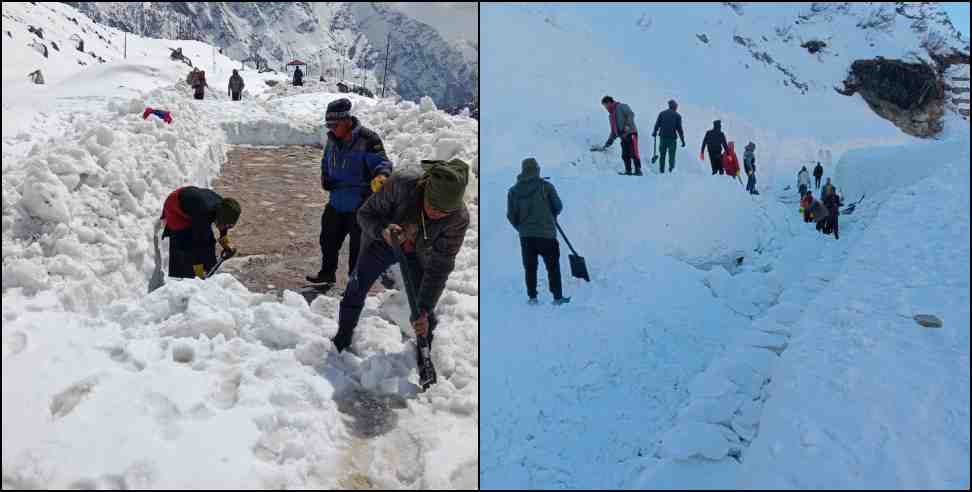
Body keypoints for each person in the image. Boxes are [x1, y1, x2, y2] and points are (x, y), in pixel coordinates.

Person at [332, 159, 471, 355]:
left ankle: (425, 355)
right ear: (426, 189)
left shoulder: (458, 219)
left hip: (418, 251)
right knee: (356, 287)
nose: (436, 214)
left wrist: (424, 308)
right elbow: (365, 214)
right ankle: (342, 338)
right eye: (432, 206)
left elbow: (441, 265)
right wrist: (383, 230)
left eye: (444, 212)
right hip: (382, 242)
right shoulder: (402, 184)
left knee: (423, 308)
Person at [306, 98, 392, 286]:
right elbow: (325, 161)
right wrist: (325, 177)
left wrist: (381, 176)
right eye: (328, 125)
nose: (331, 128)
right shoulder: (332, 139)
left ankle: (355, 285)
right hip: (337, 200)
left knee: (358, 248)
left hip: (360, 204)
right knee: (328, 239)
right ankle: (327, 274)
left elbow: (383, 164)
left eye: (334, 124)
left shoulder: (368, 139)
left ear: (346, 120)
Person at [507, 157, 571, 306]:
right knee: (552, 266)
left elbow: (511, 216)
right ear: (537, 170)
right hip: (547, 234)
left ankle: (532, 297)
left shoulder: (513, 191)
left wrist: (521, 228)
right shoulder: (546, 187)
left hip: (526, 236)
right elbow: (558, 206)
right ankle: (557, 298)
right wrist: (551, 216)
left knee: (530, 267)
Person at [160, 186, 240, 279]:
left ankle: (209, 270)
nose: (224, 227)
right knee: (187, 245)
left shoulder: (223, 207)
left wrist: (225, 242)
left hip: (193, 206)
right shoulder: (204, 213)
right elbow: (197, 246)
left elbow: (222, 225)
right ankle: (189, 277)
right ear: (220, 218)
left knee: (208, 241)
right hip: (175, 207)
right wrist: (199, 273)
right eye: (224, 225)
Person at [597, 96, 641, 176]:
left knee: (634, 152)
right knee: (625, 154)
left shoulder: (621, 106)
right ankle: (628, 171)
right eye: (604, 106)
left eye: (605, 105)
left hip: (631, 132)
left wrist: (627, 126)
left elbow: (630, 114)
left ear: (610, 102)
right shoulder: (611, 116)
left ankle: (638, 170)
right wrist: (608, 142)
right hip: (623, 136)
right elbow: (614, 131)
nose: (605, 108)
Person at [652, 99, 686, 173]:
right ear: (674, 107)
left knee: (662, 155)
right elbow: (679, 129)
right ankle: (671, 170)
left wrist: (654, 132)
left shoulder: (662, 114)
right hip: (672, 139)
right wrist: (682, 140)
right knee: (672, 156)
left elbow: (657, 124)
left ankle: (661, 171)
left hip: (662, 138)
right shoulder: (677, 116)